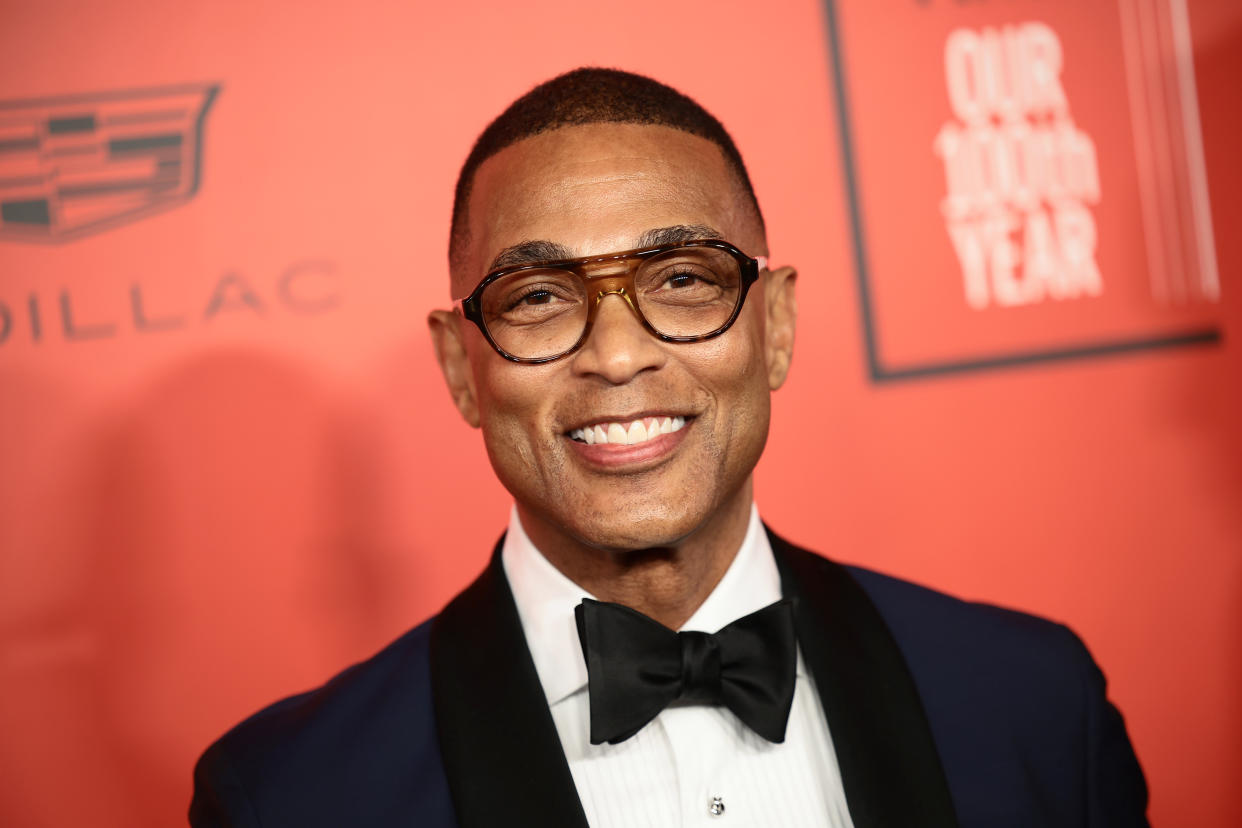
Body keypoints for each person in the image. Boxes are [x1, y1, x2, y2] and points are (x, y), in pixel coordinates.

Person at [189, 68, 1149, 828]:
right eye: (537, 297)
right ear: (459, 368)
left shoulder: (1035, 705)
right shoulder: (292, 796)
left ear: (773, 328)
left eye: (684, 278)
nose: (615, 355)